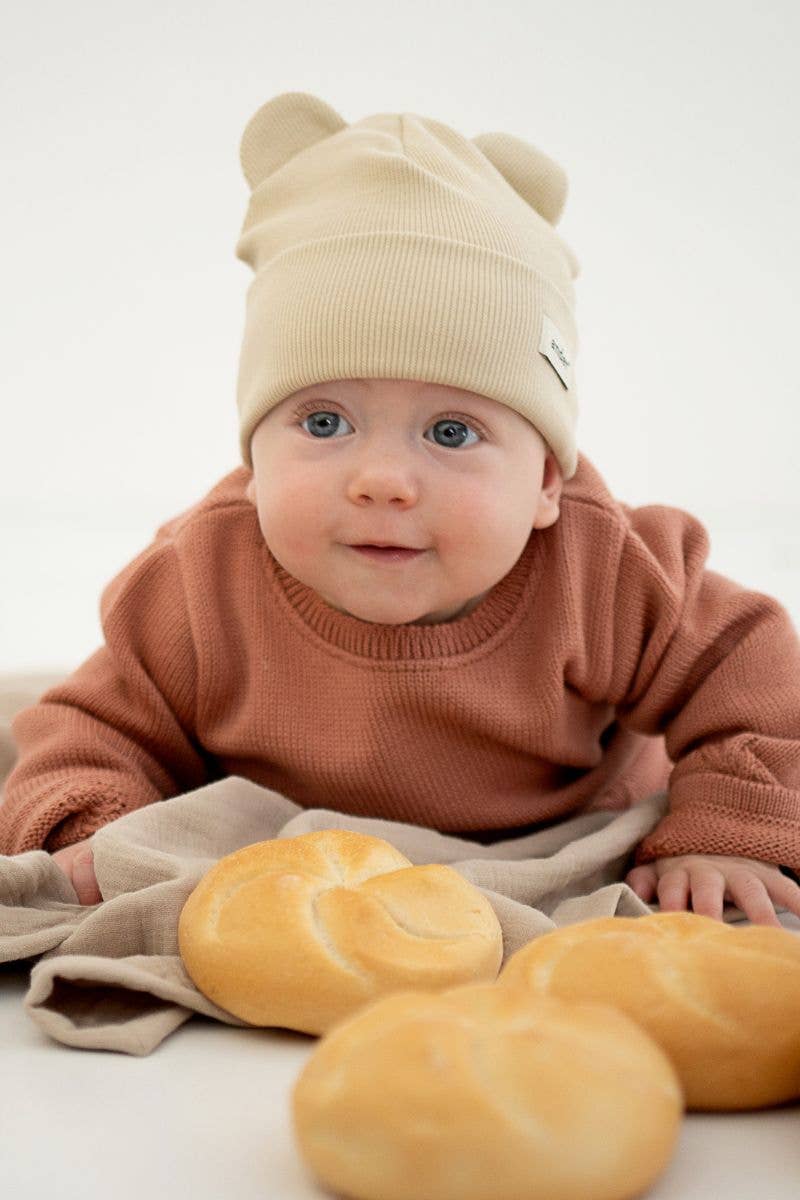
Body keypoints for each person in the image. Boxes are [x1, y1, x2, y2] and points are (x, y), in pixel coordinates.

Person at [1, 92, 799, 927]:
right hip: (298, 862)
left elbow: (750, 671)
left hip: (567, 837)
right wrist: (97, 828)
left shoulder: (603, 569)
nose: (381, 480)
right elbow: (92, 727)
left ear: (546, 485)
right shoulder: (201, 579)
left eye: (452, 431)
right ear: (252, 451)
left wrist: (731, 830)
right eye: (323, 422)